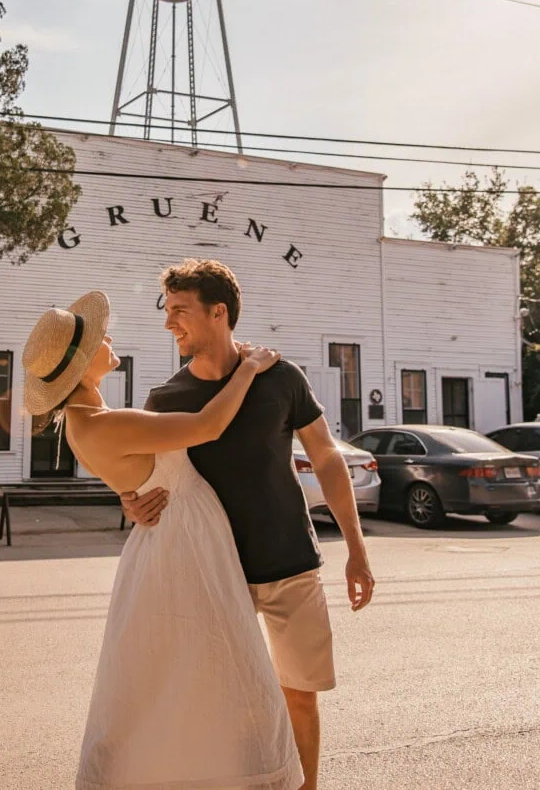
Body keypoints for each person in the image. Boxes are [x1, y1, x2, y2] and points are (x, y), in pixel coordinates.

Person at [22, 290, 305, 790]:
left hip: (171, 540)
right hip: (186, 546)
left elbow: (138, 472)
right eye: (98, 339)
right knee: (216, 670)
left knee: (178, 675)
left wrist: (130, 498)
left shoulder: (90, 420)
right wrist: (249, 367)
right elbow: (207, 426)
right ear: (81, 366)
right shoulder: (101, 423)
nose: (109, 338)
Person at [121, 259, 376, 790]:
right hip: (211, 575)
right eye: (167, 310)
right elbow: (140, 476)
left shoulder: (282, 378)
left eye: (180, 311)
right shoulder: (166, 399)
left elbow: (326, 456)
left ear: (218, 312)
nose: (169, 323)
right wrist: (130, 501)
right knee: (221, 703)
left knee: (299, 697)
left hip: (290, 562)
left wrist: (357, 549)